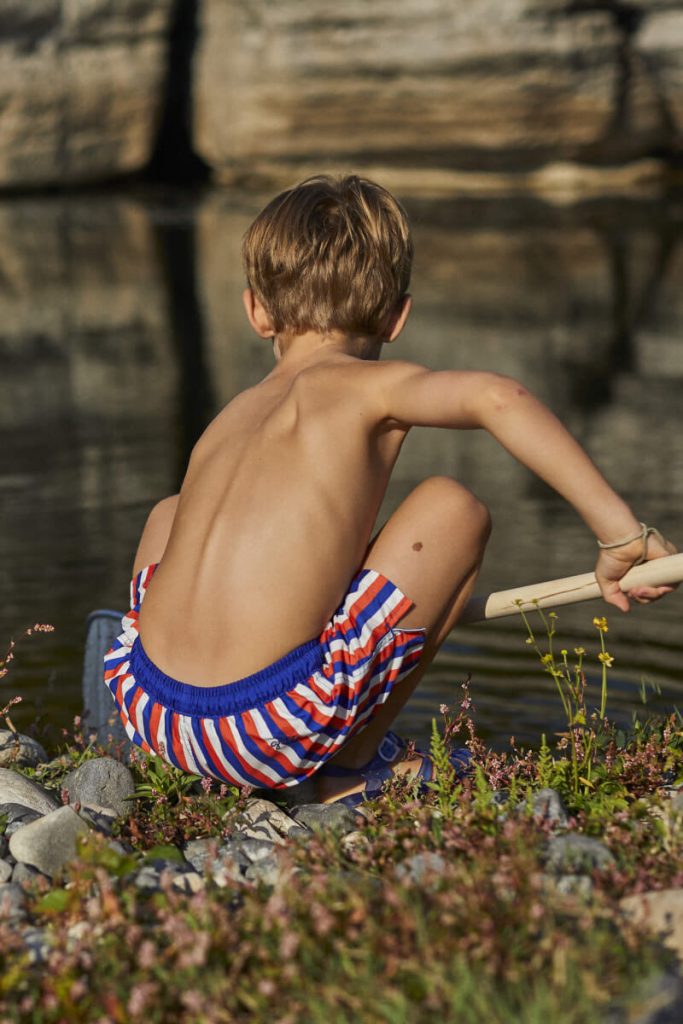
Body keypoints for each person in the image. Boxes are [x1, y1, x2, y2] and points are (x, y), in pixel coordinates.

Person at [103, 174, 676, 806]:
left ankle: (166, 735)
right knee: (452, 509)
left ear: (256, 311)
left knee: (170, 512)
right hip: (263, 727)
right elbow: (498, 398)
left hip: (149, 705)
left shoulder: (230, 416)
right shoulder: (372, 388)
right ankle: (349, 765)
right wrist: (620, 534)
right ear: (396, 317)